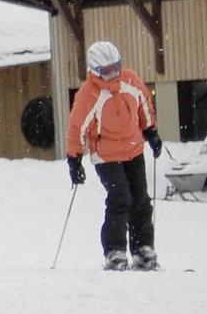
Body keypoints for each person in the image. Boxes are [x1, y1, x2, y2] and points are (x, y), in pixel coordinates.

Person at [66, 41, 163, 270]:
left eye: (116, 67)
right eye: (107, 71)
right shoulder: (88, 94)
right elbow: (76, 127)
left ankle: (142, 249)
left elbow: (144, 105)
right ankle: (115, 251)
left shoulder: (130, 80)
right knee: (121, 199)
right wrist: (74, 159)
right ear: (96, 71)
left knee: (141, 200)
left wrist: (151, 132)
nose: (114, 74)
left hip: (133, 149)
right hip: (106, 156)